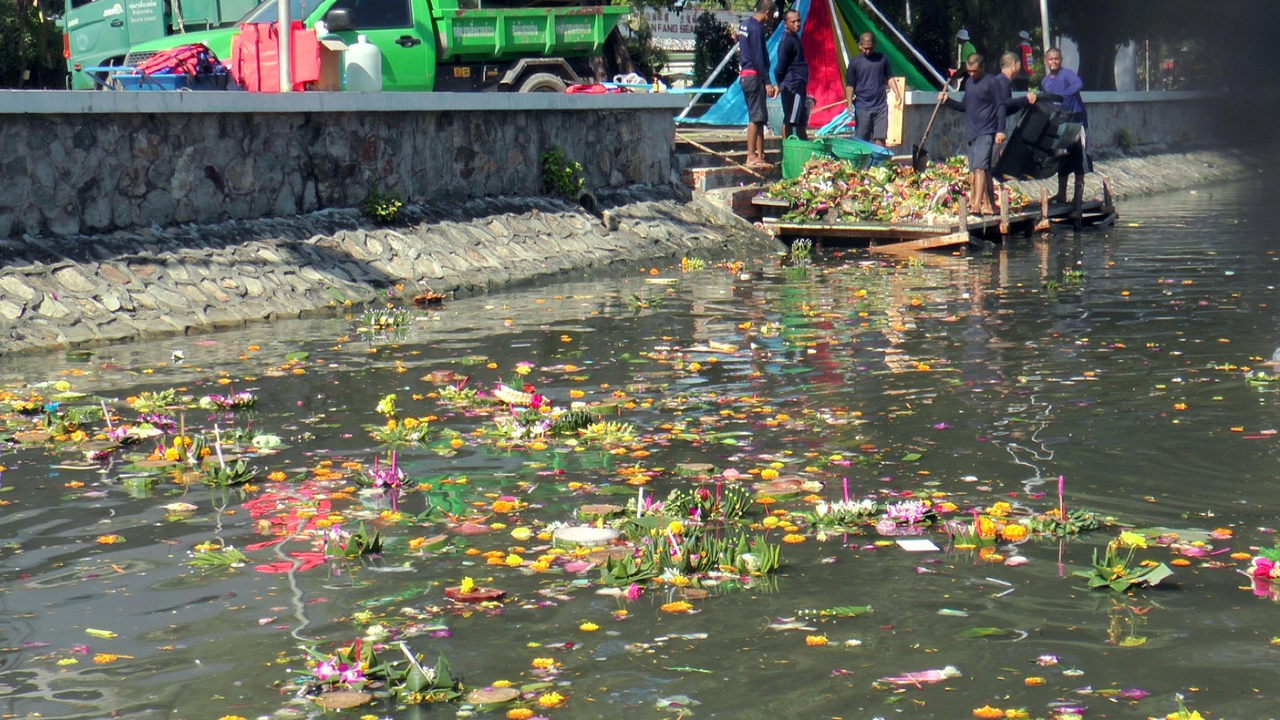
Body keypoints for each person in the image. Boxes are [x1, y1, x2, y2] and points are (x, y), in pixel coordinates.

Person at [940, 53, 1005, 216]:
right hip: (972, 132)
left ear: (983, 67)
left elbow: (1001, 106)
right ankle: (990, 205)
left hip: (987, 130)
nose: (971, 74)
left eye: (974, 71)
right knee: (977, 170)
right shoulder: (968, 83)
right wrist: (947, 100)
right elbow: (964, 107)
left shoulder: (992, 82)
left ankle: (976, 204)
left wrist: (1001, 130)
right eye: (969, 71)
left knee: (980, 168)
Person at [1041, 47, 1088, 210]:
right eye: (1051, 59)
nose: (1054, 62)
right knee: (1061, 157)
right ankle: (1061, 194)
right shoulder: (1045, 81)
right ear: (1045, 61)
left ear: (1061, 60)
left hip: (1075, 120)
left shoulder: (1067, 74)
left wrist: (1063, 96)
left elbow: (1078, 84)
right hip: (1060, 123)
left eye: (1057, 59)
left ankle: (1078, 195)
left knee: (1077, 157)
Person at [843, 32, 902, 147]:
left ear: (875, 45)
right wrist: (849, 103)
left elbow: (889, 77)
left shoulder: (882, 59)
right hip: (862, 107)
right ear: (860, 45)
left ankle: (880, 163)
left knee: (880, 138)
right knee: (861, 140)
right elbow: (850, 85)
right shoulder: (854, 63)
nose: (868, 51)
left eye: (870, 48)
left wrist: (897, 93)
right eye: (865, 48)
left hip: (880, 106)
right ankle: (862, 164)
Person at [738, 0, 777, 167]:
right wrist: (767, 81)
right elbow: (758, 58)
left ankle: (760, 153)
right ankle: (751, 155)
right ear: (767, 13)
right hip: (754, 76)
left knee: (760, 116)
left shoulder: (745, 25)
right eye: (772, 16)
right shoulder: (756, 29)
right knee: (755, 117)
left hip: (745, 76)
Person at [774, 9, 809, 140]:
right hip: (792, 85)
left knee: (800, 120)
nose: (797, 24)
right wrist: (779, 83)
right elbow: (780, 67)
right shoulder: (786, 41)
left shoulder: (794, 37)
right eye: (793, 21)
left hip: (798, 84)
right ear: (785, 23)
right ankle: (787, 148)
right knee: (790, 118)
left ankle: (805, 148)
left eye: (798, 20)